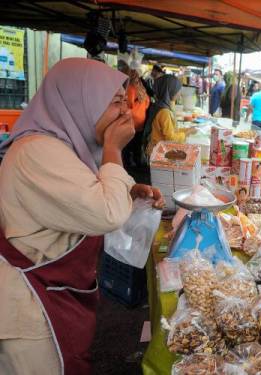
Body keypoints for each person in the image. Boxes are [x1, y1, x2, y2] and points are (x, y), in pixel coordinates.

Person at [0, 58, 163, 375]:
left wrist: (128, 192)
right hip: (32, 307)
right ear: (80, 100)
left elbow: (82, 197)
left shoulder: (61, 147)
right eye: (116, 102)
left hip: (53, 290)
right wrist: (114, 150)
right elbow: (107, 213)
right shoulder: (36, 152)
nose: (125, 113)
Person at [144, 74, 196, 158]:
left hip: (156, 151)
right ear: (171, 90)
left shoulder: (159, 105)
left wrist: (187, 129)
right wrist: (186, 133)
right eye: (178, 90)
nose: (180, 93)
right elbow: (171, 138)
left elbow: (171, 130)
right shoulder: (164, 112)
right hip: (159, 154)